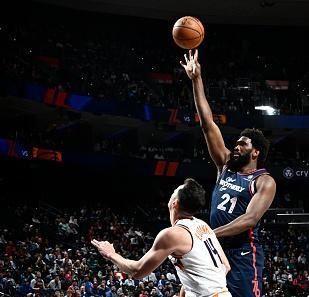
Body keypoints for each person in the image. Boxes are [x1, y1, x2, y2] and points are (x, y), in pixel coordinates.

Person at [181, 49, 277, 297]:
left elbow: (249, 220)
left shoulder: (263, 181)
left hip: (243, 253)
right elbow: (207, 124)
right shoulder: (224, 164)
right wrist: (196, 80)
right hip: (215, 249)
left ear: (255, 152)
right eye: (236, 143)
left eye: (242, 144)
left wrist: (209, 234)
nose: (236, 146)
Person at [91, 178, 232, 297]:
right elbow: (225, 266)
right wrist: (189, 289)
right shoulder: (203, 226)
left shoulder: (172, 234)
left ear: (174, 203)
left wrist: (111, 254)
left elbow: (137, 271)